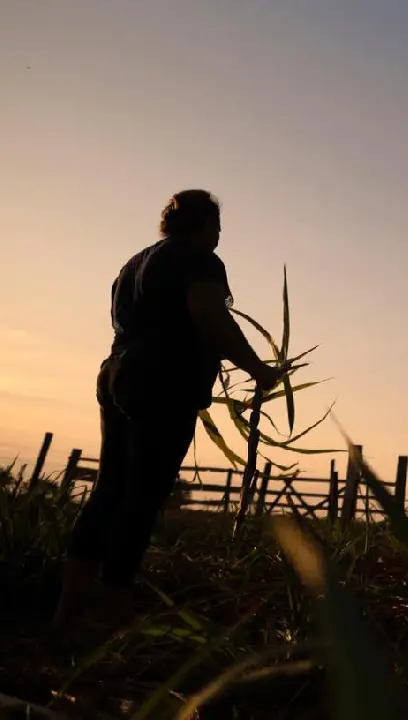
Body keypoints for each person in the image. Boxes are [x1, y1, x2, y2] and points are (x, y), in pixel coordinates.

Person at [51, 189, 282, 631]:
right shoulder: (200, 260)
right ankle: (113, 617)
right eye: (216, 227)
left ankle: (67, 613)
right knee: (141, 499)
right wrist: (258, 370)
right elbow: (212, 318)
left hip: (117, 372)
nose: (218, 237)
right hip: (163, 380)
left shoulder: (132, 265)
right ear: (203, 225)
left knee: (109, 491)